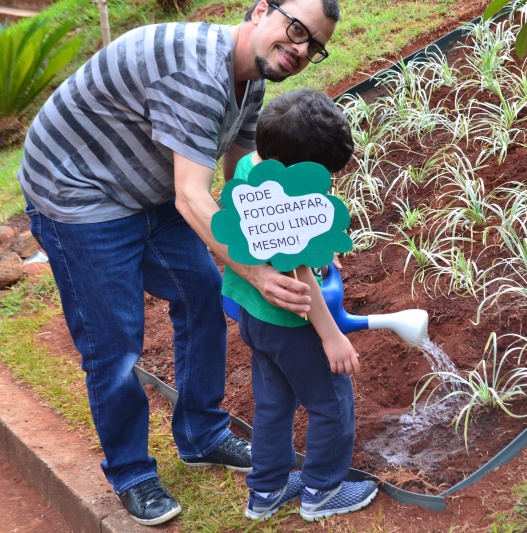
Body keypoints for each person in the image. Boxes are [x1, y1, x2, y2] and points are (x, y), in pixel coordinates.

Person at [16, 0, 341, 526]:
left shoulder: (252, 79)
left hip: (149, 190)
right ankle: (132, 473)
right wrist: (253, 270)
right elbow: (194, 200)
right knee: (114, 342)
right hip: (77, 193)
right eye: (297, 30)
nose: (301, 50)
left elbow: (242, 178)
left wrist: (286, 239)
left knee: (201, 296)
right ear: (261, 11)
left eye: (315, 46)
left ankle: (201, 433)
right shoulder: (197, 72)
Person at [221, 89, 378, 522]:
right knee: (332, 403)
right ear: (298, 171)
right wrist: (332, 339)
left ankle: (266, 491)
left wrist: (318, 245)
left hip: (255, 317)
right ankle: (322, 490)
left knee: (273, 404)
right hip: (295, 327)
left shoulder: (251, 168)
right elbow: (302, 281)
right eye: (321, 172)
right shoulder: (285, 200)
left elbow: (281, 244)